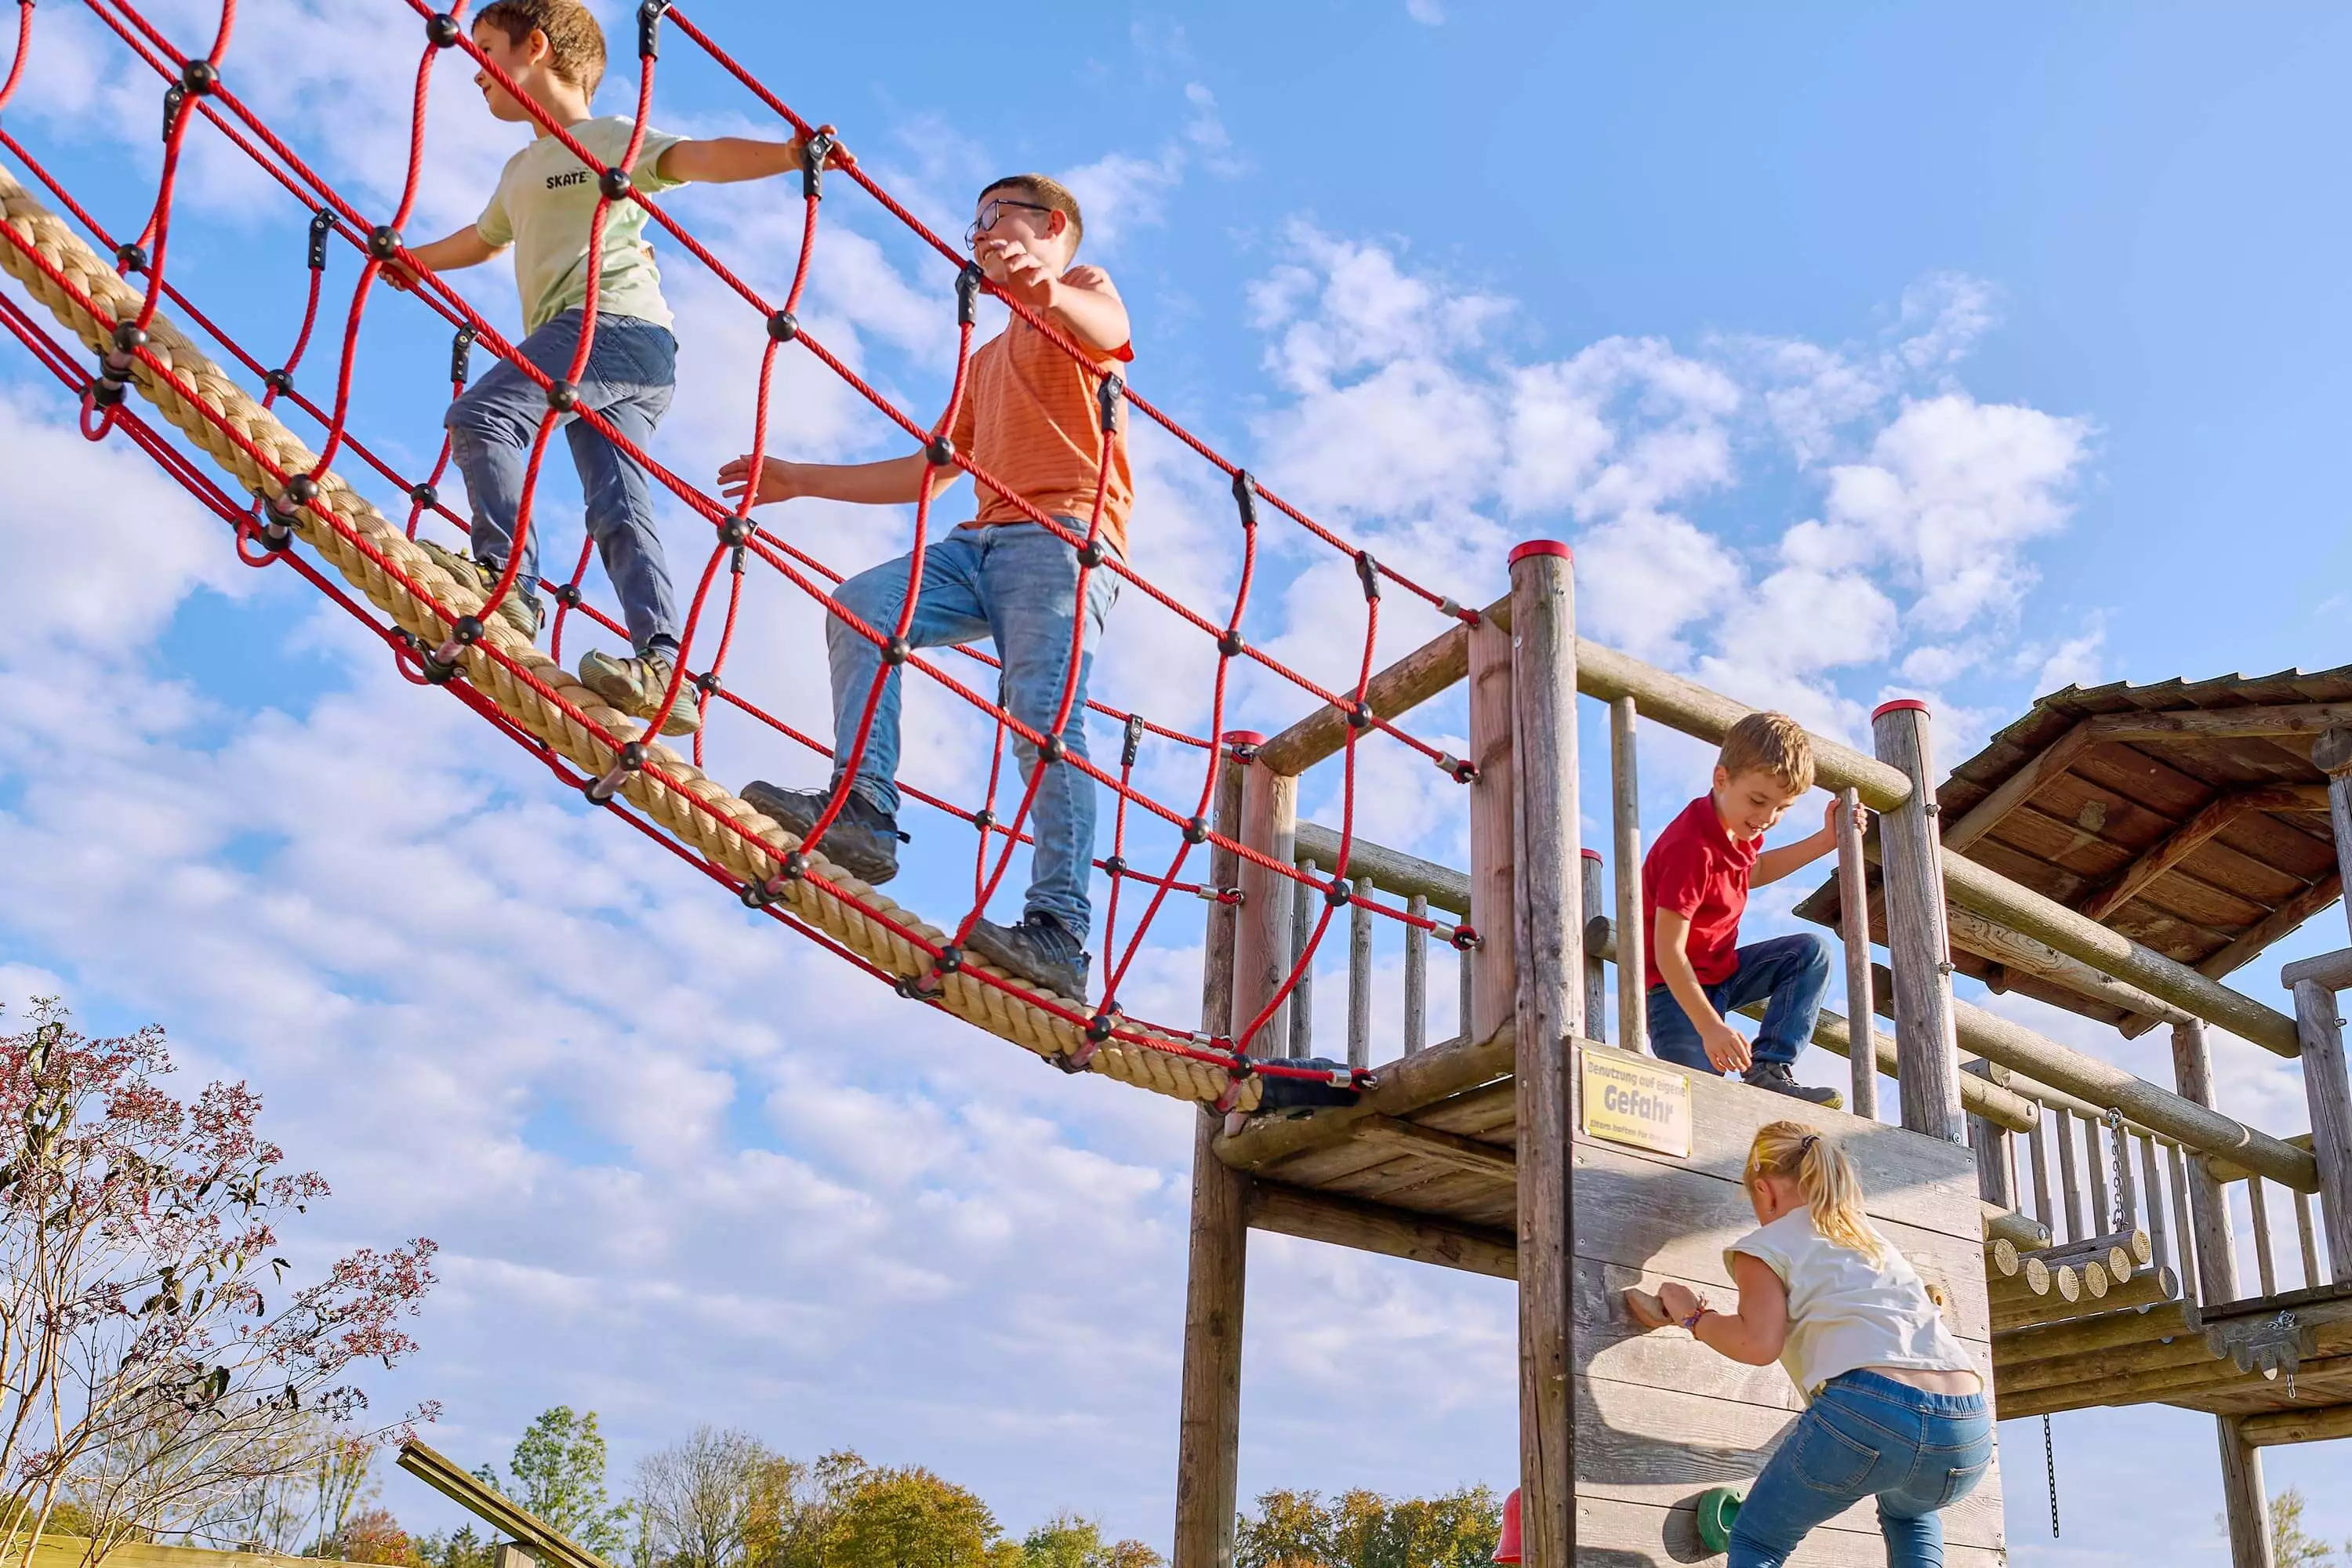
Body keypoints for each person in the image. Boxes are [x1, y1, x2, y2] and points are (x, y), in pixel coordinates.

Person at [717, 173, 1131, 1003]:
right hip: (975, 544)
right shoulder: (986, 359)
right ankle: (866, 805)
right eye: (973, 222)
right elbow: (927, 473)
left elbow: (1109, 326)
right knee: (861, 606)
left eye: (994, 218)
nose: (978, 233)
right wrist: (800, 478)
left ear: (1049, 225)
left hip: (1063, 539)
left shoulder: (1080, 295)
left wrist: (1045, 284)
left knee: (1044, 721)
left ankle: (1059, 929)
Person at [390, 0, 848, 735]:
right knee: (617, 504)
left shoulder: (609, 140)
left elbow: (698, 157)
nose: (473, 70)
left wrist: (790, 154)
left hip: (614, 328)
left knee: (484, 415)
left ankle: (506, 582)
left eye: (483, 48)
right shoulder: (519, 169)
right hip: (603, 352)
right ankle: (665, 669)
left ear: (534, 47)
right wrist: (411, 261)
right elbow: (483, 240)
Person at [1625, 1122, 1991, 1567]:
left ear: (1765, 1190)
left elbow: (1759, 1344)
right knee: (1911, 1514)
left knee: (1759, 1542)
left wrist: (1695, 1317)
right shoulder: (1867, 1238)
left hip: (1871, 1409)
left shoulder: (1764, 1245)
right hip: (1967, 1429)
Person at [1643, 710, 1858, 1106]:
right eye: (1759, 801)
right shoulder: (1691, 847)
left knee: (1811, 952)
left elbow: (1754, 870)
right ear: (1721, 778)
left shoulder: (1736, 829)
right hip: (1673, 991)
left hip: (1722, 974)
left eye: (1782, 808)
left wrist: (1827, 840)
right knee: (1702, 1101)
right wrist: (1710, 1027)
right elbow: (1668, 953)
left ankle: (1769, 1067)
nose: (1767, 818)